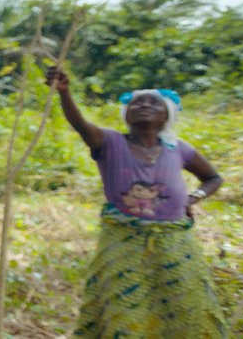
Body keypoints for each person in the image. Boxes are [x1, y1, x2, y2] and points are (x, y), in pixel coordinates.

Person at [45, 68, 226, 337]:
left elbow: (212, 178)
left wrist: (193, 197)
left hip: (174, 240)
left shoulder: (179, 148)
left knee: (187, 304)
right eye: (136, 102)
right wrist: (64, 92)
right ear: (126, 115)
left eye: (154, 102)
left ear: (167, 116)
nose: (144, 105)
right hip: (123, 239)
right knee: (124, 303)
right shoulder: (108, 141)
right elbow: (80, 124)